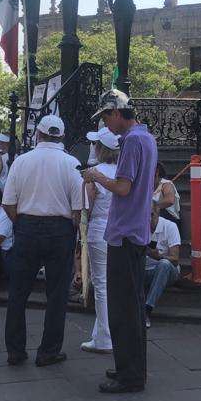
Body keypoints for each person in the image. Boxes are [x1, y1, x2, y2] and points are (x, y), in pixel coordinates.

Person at [83, 89, 158, 394]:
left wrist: (96, 175)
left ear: (116, 112)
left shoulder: (132, 141)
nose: (105, 124)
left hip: (125, 233)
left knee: (123, 308)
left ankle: (130, 375)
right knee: (131, 307)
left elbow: (123, 188)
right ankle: (131, 368)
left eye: (105, 117)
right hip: (135, 231)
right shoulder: (146, 138)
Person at [2, 114, 81, 366]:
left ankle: (15, 350)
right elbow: (78, 209)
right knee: (57, 295)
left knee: (18, 292)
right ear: (62, 136)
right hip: (60, 229)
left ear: (38, 134)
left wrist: (22, 223)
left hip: (27, 227)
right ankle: (48, 351)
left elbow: (8, 203)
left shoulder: (21, 161)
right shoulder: (71, 163)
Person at [82, 128, 120, 354]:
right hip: (119, 228)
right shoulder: (123, 172)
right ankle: (102, 333)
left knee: (101, 285)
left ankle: (104, 337)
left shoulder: (94, 173)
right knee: (113, 284)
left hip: (99, 228)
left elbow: (88, 206)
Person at [144, 204, 180, 326]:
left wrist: (158, 256)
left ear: (157, 213)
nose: (148, 219)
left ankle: (147, 309)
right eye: (145, 216)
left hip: (167, 270)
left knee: (164, 264)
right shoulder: (139, 227)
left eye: (151, 215)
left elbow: (175, 259)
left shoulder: (170, 227)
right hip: (144, 270)